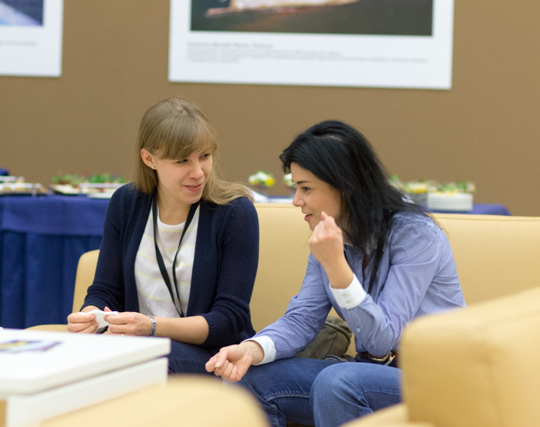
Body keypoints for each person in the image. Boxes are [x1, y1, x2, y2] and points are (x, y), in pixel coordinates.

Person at [206, 120, 465, 427]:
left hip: (435, 382)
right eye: (296, 187)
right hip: (366, 374)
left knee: (338, 382)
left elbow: (383, 340)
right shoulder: (329, 236)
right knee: (247, 379)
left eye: (305, 188)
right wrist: (252, 349)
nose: (296, 200)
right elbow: (302, 319)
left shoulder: (416, 235)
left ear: (346, 186)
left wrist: (336, 266)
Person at [67, 97, 259, 375]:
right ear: (149, 159)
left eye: (205, 156)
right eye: (182, 161)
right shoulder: (126, 203)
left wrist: (152, 326)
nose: (198, 172)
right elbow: (105, 290)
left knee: (142, 362)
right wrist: (90, 316)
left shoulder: (235, 213)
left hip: (213, 356)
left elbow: (229, 320)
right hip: (138, 346)